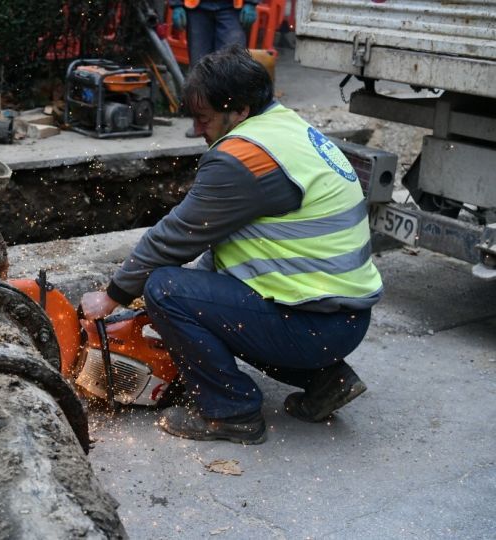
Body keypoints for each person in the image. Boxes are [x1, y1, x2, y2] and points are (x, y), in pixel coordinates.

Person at [80, 45, 383, 445]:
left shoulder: (243, 159)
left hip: (315, 325)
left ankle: (231, 412)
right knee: (198, 302)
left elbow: (175, 236)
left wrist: (113, 296)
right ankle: (326, 380)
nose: (198, 130)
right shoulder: (283, 129)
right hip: (338, 318)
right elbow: (232, 243)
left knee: (164, 289)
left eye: (203, 119)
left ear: (238, 110)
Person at [170, 0, 259, 67]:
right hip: (197, 10)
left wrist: (251, 3)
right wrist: (176, 4)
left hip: (233, 9)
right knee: (199, 68)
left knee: (231, 65)